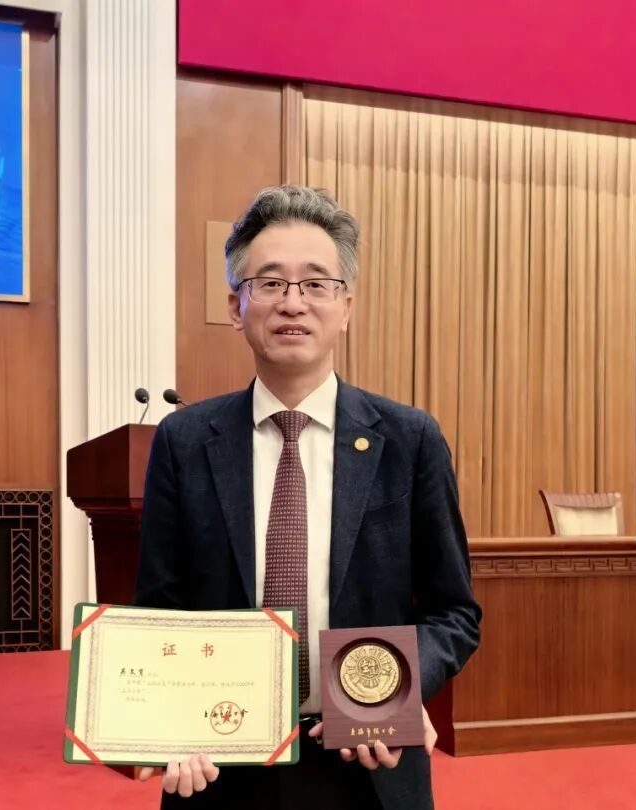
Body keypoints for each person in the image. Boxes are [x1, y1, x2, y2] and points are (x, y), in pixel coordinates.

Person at [134, 186, 481, 809]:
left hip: (370, 763)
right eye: (269, 283)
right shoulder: (184, 440)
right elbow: (160, 608)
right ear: (236, 306)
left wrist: (395, 694)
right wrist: (166, 720)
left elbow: (453, 613)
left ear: (345, 306)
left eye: (316, 284)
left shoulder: (410, 439)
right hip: (221, 762)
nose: (292, 302)